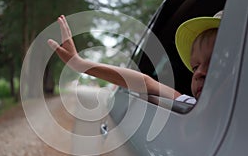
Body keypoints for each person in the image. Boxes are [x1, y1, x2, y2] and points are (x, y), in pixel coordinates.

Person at [48, 11, 223, 105]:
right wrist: (80, 64)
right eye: (195, 67)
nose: (199, 73)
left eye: (214, 61)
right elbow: (146, 83)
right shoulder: (190, 105)